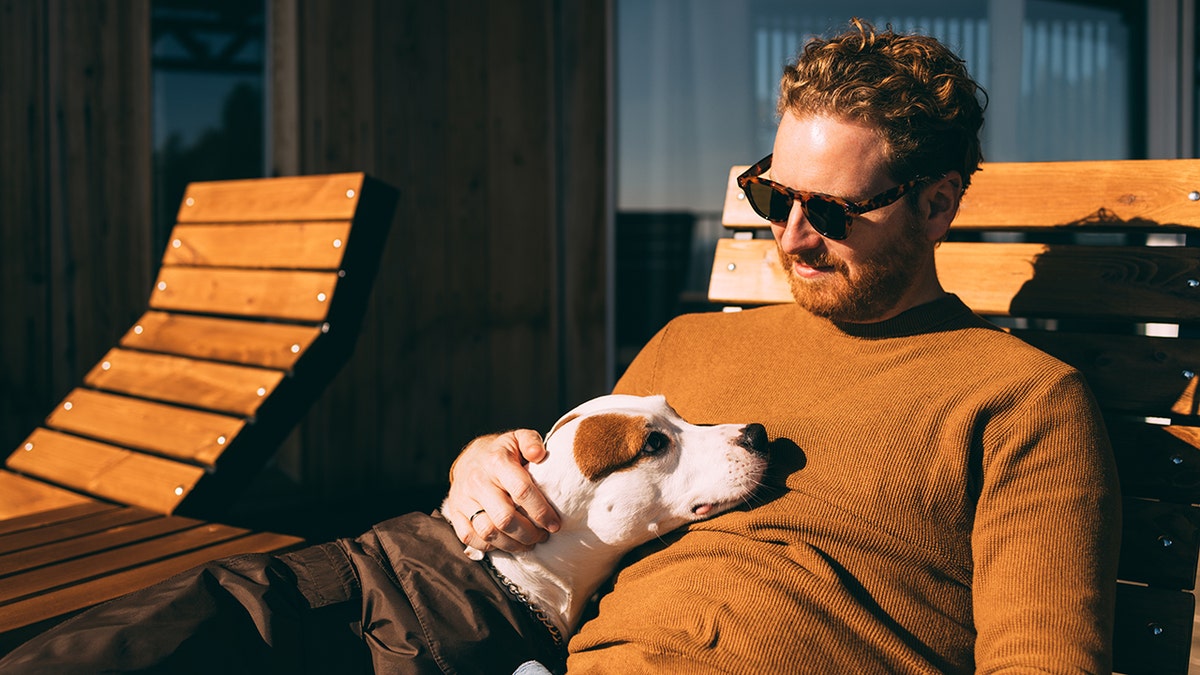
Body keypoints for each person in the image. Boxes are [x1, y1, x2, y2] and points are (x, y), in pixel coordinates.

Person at [441, 18, 1121, 674]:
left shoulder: (1022, 400)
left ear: (938, 205)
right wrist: (479, 471)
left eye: (830, 212)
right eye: (774, 195)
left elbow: (1041, 659)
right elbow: (560, 519)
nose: (792, 236)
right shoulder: (686, 346)